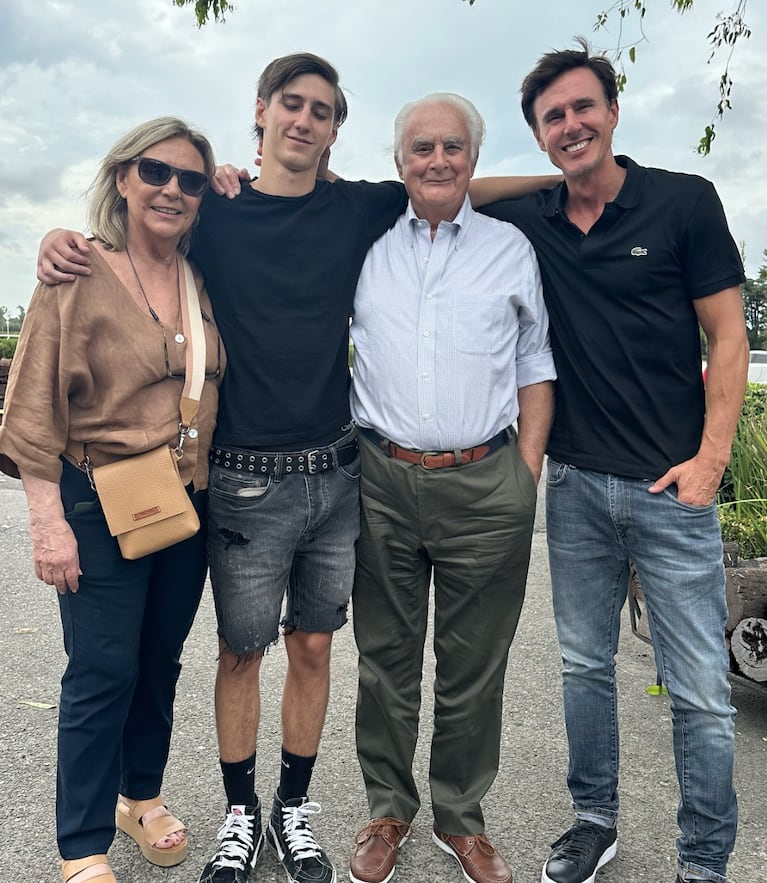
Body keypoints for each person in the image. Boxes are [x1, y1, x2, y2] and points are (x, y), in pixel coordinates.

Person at [35, 53, 556, 883]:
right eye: (291, 104)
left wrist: (573, 173)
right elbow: (144, 228)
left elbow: (448, 184)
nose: (305, 120)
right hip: (241, 475)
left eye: (321, 110)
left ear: (336, 129)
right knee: (239, 653)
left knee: (313, 648)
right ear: (263, 111)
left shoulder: (357, 208)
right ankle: (242, 815)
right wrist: (67, 239)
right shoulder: (216, 209)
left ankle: (296, 808)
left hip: (337, 471)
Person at [479, 40, 749, 883]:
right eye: (552, 117)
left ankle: (702, 861)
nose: (570, 125)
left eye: (582, 107)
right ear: (537, 134)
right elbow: (437, 189)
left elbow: (729, 336)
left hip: (673, 487)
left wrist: (710, 462)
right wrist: (544, 179)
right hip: (576, 485)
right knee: (584, 667)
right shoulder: (536, 218)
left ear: (613, 110)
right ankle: (593, 819)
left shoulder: (683, 202)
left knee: (700, 691)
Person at [0, 117, 222, 883]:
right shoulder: (77, 271)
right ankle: (82, 844)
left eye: (191, 180)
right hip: (97, 501)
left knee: (158, 662)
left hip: (184, 504)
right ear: (122, 177)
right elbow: (31, 407)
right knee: (100, 670)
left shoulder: (202, 277)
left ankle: (140, 795)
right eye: (156, 172)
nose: (172, 190)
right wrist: (47, 521)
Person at [348, 93, 555, 883]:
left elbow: (535, 363)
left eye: (453, 147)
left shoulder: (509, 249)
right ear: (398, 161)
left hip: (485, 482)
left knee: (475, 664)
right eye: (421, 148)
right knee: (385, 658)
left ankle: (460, 816)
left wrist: (522, 474)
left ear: (473, 157)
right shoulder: (363, 244)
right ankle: (386, 808)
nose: (437, 160)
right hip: (382, 478)